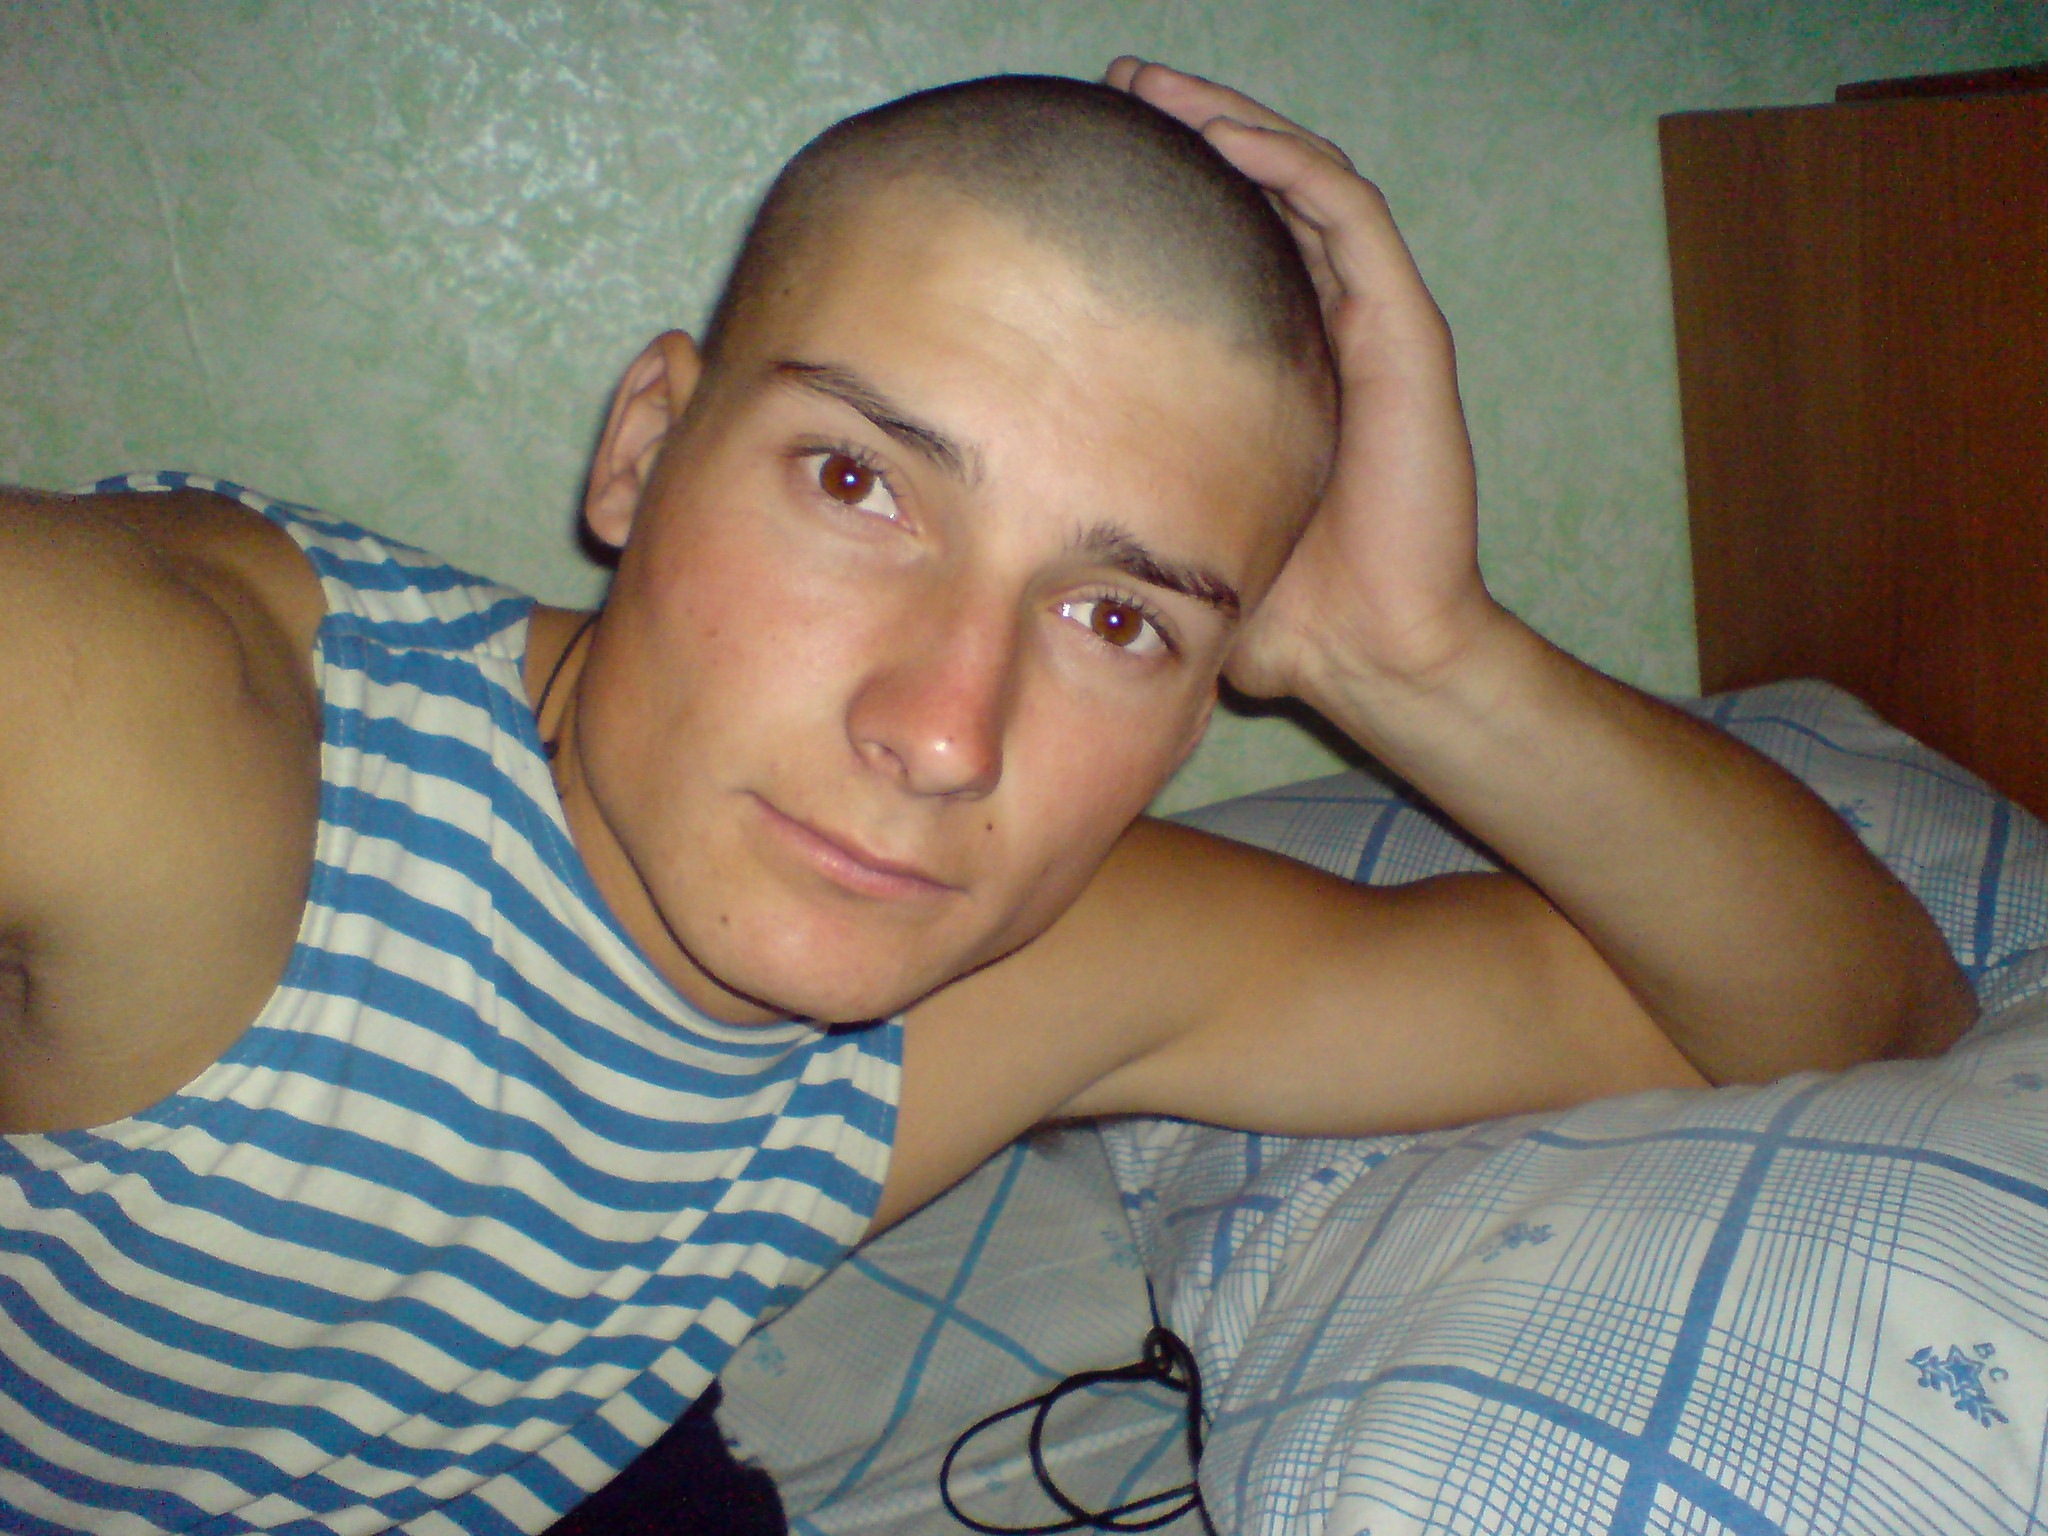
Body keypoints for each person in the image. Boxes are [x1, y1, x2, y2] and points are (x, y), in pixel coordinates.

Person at [0, 60, 1971, 1536]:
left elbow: (1847, 1009)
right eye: (858, 484)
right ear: (645, 447)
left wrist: (1419, 655)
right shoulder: (171, 735)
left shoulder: (1006, 971)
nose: (946, 732)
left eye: (1119, 617)